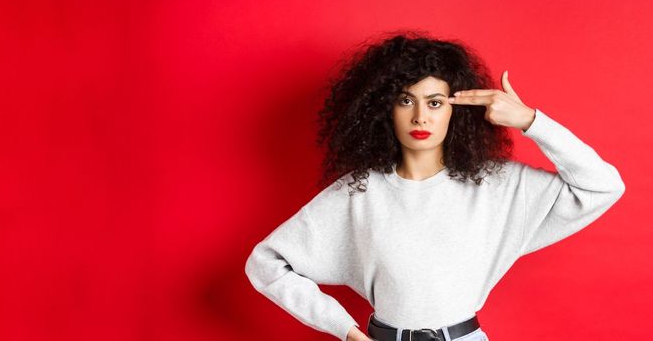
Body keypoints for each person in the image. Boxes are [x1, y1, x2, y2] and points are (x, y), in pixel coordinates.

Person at [244, 31, 626, 341]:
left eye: (435, 102)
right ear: (383, 109)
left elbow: (602, 186)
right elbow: (267, 264)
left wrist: (530, 121)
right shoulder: (358, 192)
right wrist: (346, 331)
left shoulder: (497, 186)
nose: (420, 115)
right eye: (406, 100)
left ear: (456, 109)